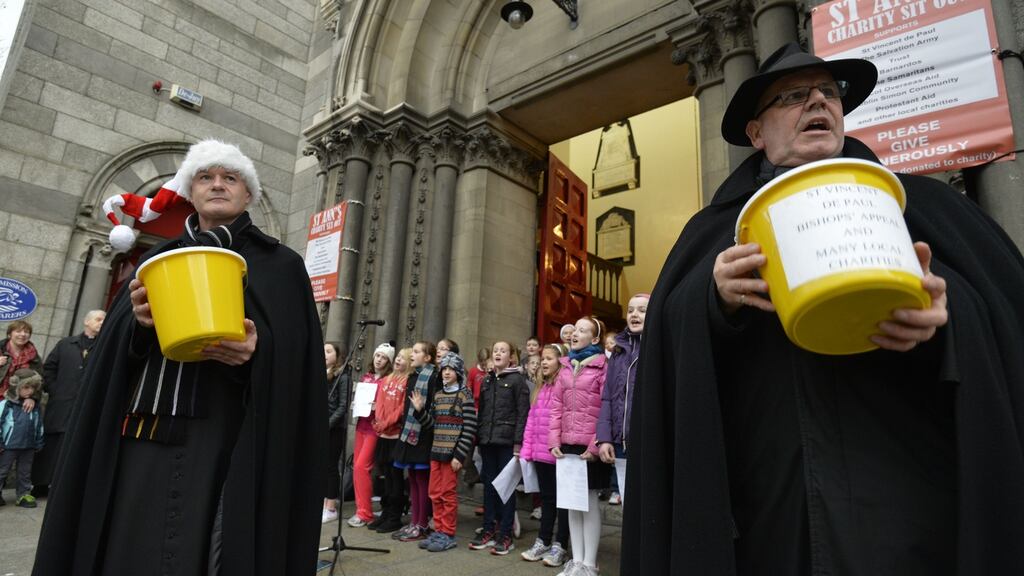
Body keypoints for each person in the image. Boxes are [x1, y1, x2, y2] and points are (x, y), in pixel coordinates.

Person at [622, 42, 1024, 576]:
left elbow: (1002, 314)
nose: (818, 102)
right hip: (771, 509)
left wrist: (946, 313)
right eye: (792, 96)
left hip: (907, 505)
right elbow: (668, 351)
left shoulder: (927, 206)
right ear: (757, 133)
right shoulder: (712, 232)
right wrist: (711, 298)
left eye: (829, 93)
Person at [34, 139, 327, 575]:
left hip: (225, 438)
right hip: (141, 436)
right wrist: (136, 325)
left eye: (230, 178)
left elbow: (299, 360)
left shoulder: (280, 265)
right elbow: (111, 355)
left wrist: (259, 351)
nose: (217, 184)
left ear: (249, 193)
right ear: (190, 191)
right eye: (205, 177)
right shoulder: (156, 259)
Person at [549, 317, 611, 576]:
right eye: (574, 329)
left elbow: (606, 407)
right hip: (567, 444)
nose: (575, 333)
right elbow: (556, 406)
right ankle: (576, 561)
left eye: (582, 330)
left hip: (589, 446)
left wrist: (595, 444)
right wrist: (554, 440)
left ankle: (589, 564)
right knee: (571, 503)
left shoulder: (602, 366)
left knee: (588, 502)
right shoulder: (565, 367)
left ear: (594, 339)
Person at [410, 352, 477, 552]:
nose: (446, 372)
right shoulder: (439, 395)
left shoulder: (464, 395)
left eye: (451, 369)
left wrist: (459, 455)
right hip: (436, 453)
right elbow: (432, 425)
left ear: (458, 372)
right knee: (434, 493)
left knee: (448, 495)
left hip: (451, 455)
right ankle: (438, 530)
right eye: (444, 369)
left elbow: (470, 428)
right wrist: (420, 411)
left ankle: (448, 533)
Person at [34, 310, 105, 497]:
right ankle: (40, 484)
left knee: (76, 446)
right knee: (51, 446)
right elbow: (49, 368)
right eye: (98, 319)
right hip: (60, 405)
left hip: (86, 406)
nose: (102, 322)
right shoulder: (66, 344)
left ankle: (66, 488)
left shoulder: (105, 346)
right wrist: (55, 390)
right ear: (87, 322)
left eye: (104, 320)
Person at [468, 340, 530, 555]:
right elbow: (483, 411)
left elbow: (523, 413)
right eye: (495, 350)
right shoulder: (487, 380)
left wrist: (518, 442)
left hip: (507, 442)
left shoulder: (517, 380)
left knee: (506, 488)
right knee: (489, 486)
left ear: (511, 357)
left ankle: (505, 533)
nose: (498, 353)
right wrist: (479, 438)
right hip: (488, 441)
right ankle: (488, 528)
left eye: (503, 351)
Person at [519, 344, 571, 567]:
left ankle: (561, 545)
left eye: (549, 358)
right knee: (547, 500)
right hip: (540, 454)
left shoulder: (565, 386)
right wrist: (527, 451)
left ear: (561, 361)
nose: (544, 362)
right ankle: (543, 540)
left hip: (558, 454)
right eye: (543, 359)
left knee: (564, 503)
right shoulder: (540, 388)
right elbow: (531, 421)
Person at [597, 294, 649, 508]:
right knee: (629, 506)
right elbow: (608, 398)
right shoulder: (618, 352)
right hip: (621, 443)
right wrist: (605, 438)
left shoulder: (659, 347)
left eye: (642, 311)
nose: (634, 314)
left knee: (648, 504)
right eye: (630, 310)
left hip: (647, 441)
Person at [391, 341, 441, 542]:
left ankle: (422, 524)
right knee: (411, 478)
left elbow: (432, 411)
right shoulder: (412, 377)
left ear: (428, 358)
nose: (412, 354)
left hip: (424, 435)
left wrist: (421, 410)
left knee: (421, 479)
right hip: (408, 434)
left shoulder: (434, 378)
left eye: (417, 352)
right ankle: (414, 522)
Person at [348, 342, 394, 527]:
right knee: (357, 468)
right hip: (362, 425)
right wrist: (356, 404)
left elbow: (391, 405)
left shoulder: (387, 381)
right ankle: (361, 509)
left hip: (374, 429)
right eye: (377, 356)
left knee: (362, 467)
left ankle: (365, 513)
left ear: (389, 362)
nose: (379, 360)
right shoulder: (367, 377)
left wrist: (378, 408)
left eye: (384, 357)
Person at [370, 347, 413, 533]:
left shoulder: (408, 381)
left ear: (409, 363)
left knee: (395, 476)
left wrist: (386, 422)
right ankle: (386, 512)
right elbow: (380, 402)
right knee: (385, 475)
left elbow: (403, 407)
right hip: (383, 434)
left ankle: (395, 516)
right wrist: (379, 421)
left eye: (403, 358)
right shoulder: (387, 379)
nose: (398, 360)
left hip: (396, 435)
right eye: (398, 357)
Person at [0, 369, 45, 508]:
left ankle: (23, 494)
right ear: (16, 386)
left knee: (25, 472)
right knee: (2, 470)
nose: (30, 391)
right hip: (8, 446)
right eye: (26, 387)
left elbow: (38, 424)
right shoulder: (6, 404)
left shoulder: (34, 406)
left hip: (28, 446)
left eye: (32, 388)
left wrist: (38, 442)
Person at [323, 342, 350, 523]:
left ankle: (331, 507)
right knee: (321, 466)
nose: (324, 354)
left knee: (331, 466)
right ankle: (323, 501)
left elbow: (342, 407)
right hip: (322, 426)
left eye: (328, 351)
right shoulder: (322, 374)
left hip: (335, 429)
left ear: (337, 356)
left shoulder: (343, 376)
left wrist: (327, 424)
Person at [0, 321, 42, 403]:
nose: (23, 334)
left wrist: (32, 398)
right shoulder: (1, 350)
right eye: (18, 331)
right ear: (9, 334)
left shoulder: (34, 356)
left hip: (18, 401)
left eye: (26, 332)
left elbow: (40, 380)